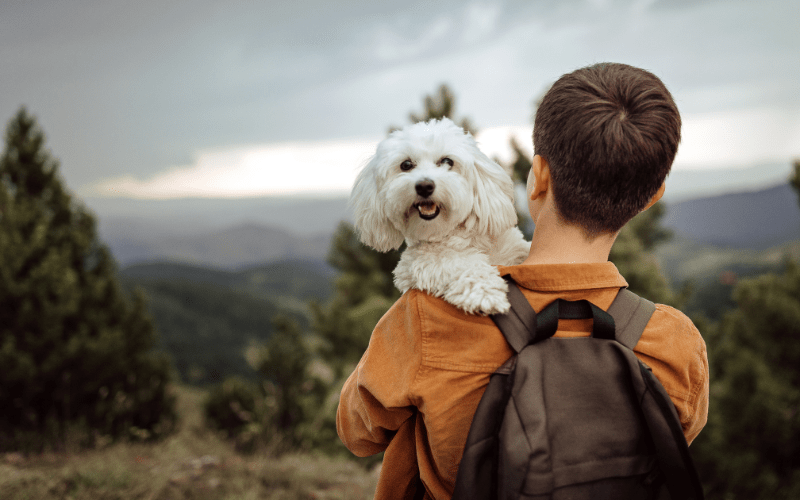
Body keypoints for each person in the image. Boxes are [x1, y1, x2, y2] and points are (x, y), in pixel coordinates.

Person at [336, 62, 709, 500]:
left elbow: (357, 433)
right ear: (652, 196)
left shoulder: (426, 319)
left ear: (539, 176)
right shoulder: (676, 344)